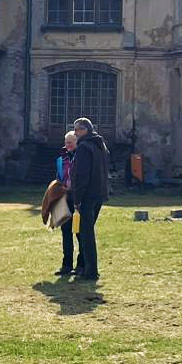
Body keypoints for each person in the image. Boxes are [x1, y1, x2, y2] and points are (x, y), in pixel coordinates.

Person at [69, 117, 110, 282]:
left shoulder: (85, 147)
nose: (75, 133)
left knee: (86, 234)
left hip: (87, 195)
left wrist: (77, 199)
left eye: (77, 129)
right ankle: (84, 266)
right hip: (99, 194)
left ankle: (91, 270)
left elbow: (81, 176)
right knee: (86, 232)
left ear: (85, 130)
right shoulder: (101, 146)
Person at [49, 130, 78, 276]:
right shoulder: (61, 160)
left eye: (71, 142)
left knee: (80, 233)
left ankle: (81, 266)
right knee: (66, 232)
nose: (68, 145)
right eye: (66, 142)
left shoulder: (81, 157)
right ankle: (66, 265)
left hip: (78, 200)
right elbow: (58, 177)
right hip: (65, 200)